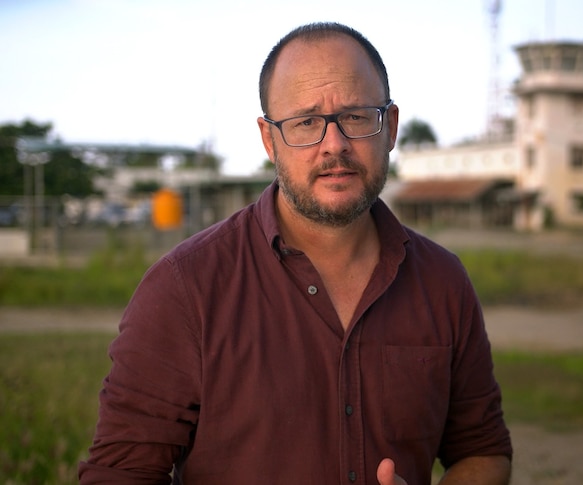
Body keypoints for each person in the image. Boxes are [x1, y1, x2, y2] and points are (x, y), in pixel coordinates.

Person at [78, 22, 512, 485]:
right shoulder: (186, 288)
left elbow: (483, 451)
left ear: (391, 128)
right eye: (306, 122)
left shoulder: (443, 281)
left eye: (357, 116)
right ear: (269, 140)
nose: (335, 143)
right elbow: (118, 474)